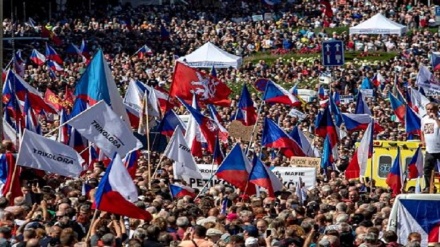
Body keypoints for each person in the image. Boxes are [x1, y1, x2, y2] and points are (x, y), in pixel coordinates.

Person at [421, 103, 440, 190]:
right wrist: (423, 140)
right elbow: (422, 131)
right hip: (430, 149)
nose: (430, 111)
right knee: (427, 169)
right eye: (428, 109)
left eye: (432, 109)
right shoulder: (424, 119)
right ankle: (429, 186)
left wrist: (436, 119)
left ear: (436, 110)